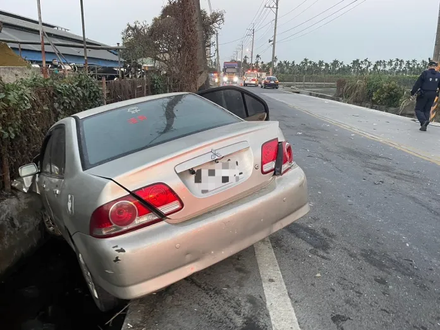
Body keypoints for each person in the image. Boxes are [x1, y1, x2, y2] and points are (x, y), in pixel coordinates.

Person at [411, 60, 440, 131]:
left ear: (429, 66)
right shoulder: (438, 75)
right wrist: (437, 94)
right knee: (427, 110)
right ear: (435, 67)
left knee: (418, 109)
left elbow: (418, 84)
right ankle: (424, 126)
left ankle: (423, 121)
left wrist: (412, 93)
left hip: (424, 93)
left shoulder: (425, 73)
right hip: (433, 94)